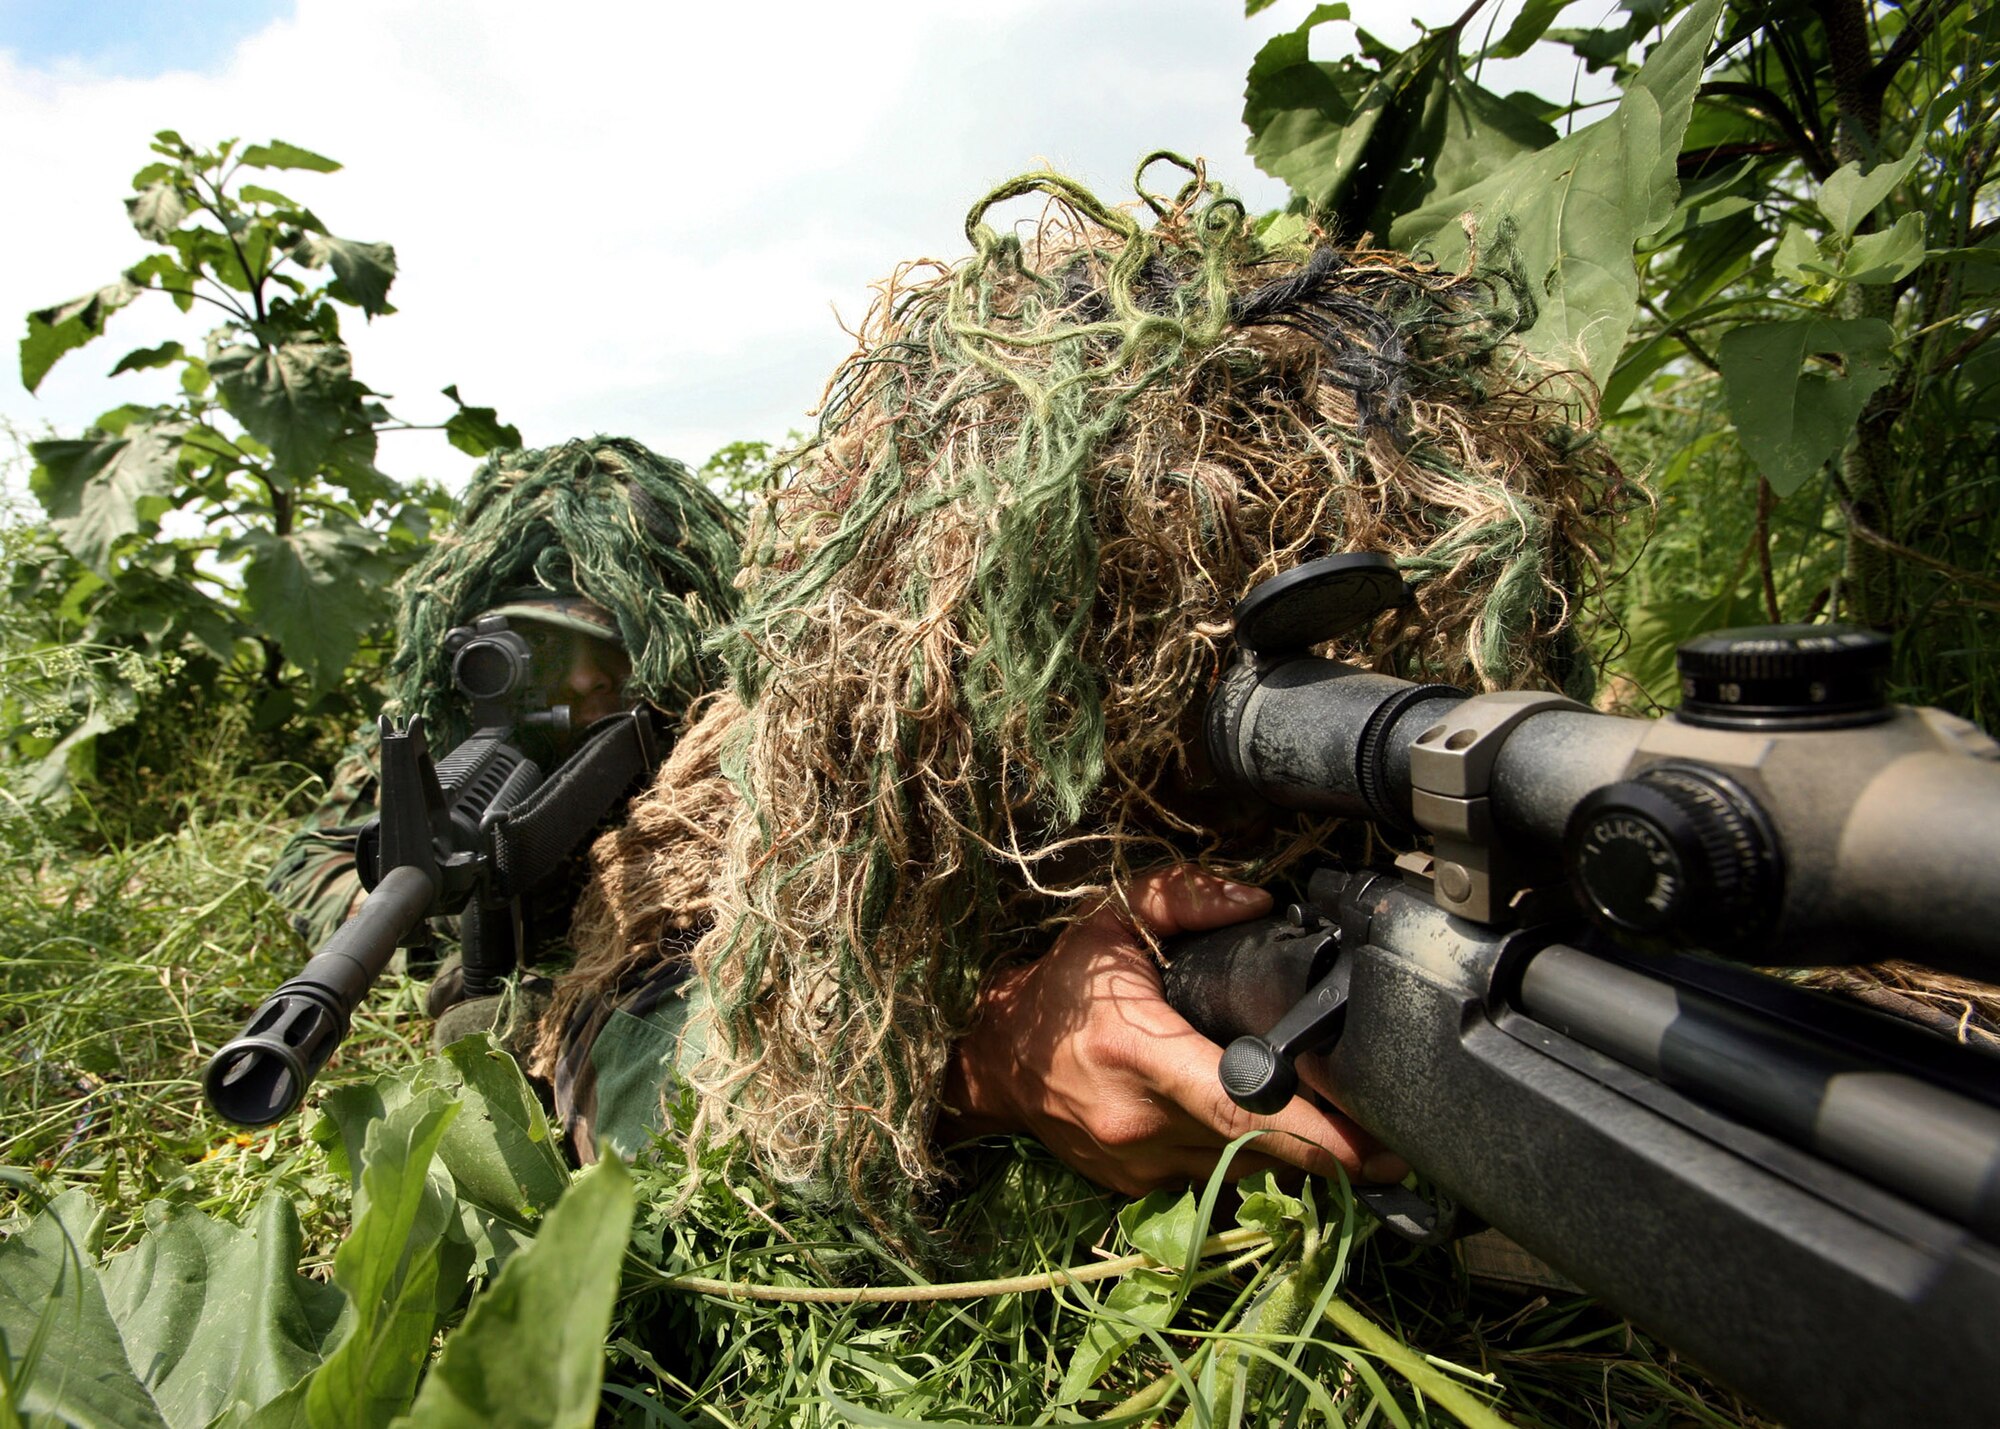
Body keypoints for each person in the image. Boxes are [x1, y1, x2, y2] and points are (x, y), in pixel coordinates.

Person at [536, 162, 1624, 1245]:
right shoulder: (842, 762)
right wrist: (987, 1070)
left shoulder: (1427, 688)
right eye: (1138, 641)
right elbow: (624, 1060)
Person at [266, 435, 743, 1046]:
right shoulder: (439, 735)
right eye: (543, 646)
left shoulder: (709, 724)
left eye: (606, 645)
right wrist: (447, 928)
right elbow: (312, 859)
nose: (579, 678)